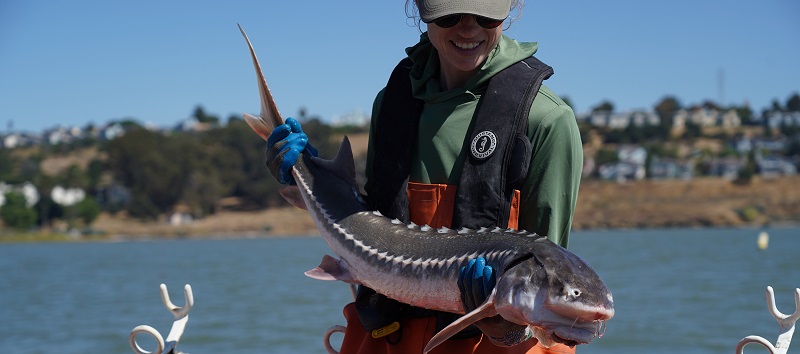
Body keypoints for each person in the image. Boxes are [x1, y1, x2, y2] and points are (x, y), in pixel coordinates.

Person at [266, 0, 583, 353]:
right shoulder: (391, 102)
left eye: (485, 14)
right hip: (386, 339)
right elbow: (374, 222)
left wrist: (503, 326)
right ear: (420, 9)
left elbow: (550, 291)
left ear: (510, 8)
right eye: (449, 14)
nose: (468, 28)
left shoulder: (548, 120)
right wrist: (307, 180)